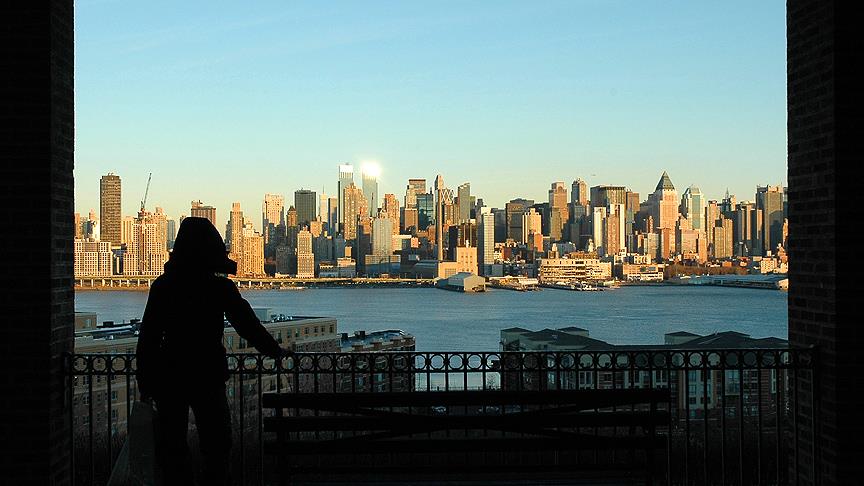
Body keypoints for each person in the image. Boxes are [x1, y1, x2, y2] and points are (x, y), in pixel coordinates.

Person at [136, 217, 286, 485]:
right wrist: (275, 351)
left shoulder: (163, 286)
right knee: (217, 446)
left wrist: (145, 383)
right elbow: (248, 325)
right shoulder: (219, 287)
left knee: (172, 448)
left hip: (170, 377)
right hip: (208, 375)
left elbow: (148, 338)